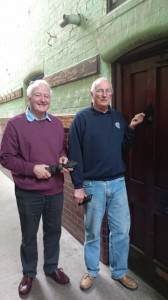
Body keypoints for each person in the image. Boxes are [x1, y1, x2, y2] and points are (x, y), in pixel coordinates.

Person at [68, 77, 145, 292]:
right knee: (92, 231)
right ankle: (91, 271)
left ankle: (119, 272)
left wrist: (130, 127)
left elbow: (122, 147)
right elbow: (74, 154)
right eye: (99, 91)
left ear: (111, 94)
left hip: (118, 184)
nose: (104, 94)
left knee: (121, 231)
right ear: (91, 95)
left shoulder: (118, 118)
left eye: (107, 91)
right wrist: (78, 186)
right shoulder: (81, 119)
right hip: (93, 185)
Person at [0, 79, 71, 297]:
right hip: (29, 193)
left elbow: (61, 149)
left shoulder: (56, 124)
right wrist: (33, 169)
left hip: (55, 190)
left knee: (53, 232)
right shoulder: (15, 124)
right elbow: (6, 158)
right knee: (29, 235)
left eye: (46, 96)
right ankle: (29, 273)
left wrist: (63, 157)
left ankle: (51, 268)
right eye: (38, 95)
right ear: (28, 99)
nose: (43, 99)